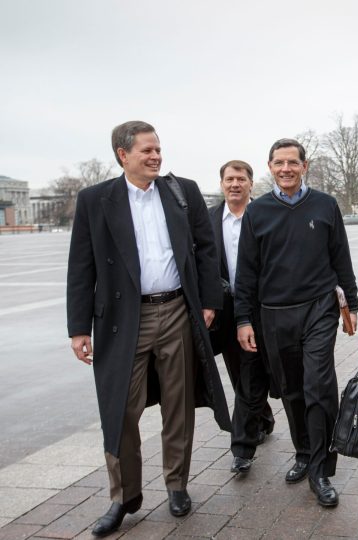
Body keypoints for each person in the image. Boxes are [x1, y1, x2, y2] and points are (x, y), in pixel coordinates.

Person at [67, 121, 232, 537]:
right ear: (123, 155)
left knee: (179, 405)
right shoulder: (95, 200)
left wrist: (210, 300)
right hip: (123, 322)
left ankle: (177, 485)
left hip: (177, 309)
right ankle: (123, 497)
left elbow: (206, 246)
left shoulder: (182, 191)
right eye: (147, 151)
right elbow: (81, 266)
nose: (156, 156)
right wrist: (78, 327)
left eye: (158, 149)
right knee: (120, 410)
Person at [234, 138, 358, 507]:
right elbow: (247, 272)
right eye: (279, 163)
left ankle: (321, 470)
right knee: (290, 389)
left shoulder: (325, 205)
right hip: (273, 313)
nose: (286, 168)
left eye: (293, 162)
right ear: (270, 167)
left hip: (319, 307)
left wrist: (350, 303)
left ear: (305, 166)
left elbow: (341, 257)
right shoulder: (258, 212)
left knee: (319, 385)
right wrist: (244, 318)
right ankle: (304, 452)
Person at [208, 160, 275, 474]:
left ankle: (259, 420)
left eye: (241, 179)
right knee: (240, 370)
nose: (235, 184)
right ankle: (254, 425)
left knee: (264, 367)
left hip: (264, 305)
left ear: (251, 184)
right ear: (222, 184)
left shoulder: (265, 214)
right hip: (227, 307)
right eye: (229, 179)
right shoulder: (208, 220)